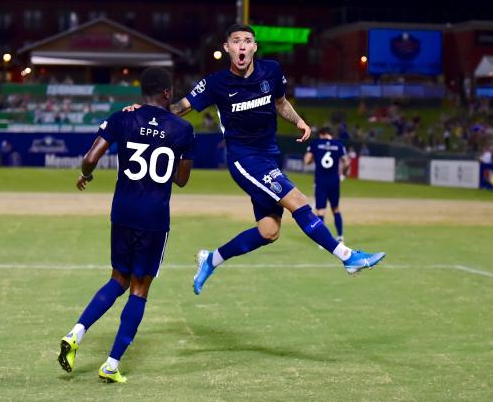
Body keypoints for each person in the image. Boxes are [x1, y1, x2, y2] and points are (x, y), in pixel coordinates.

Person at [127, 24, 384, 296]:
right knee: (298, 201)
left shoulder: (271, 71)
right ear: (227, 48)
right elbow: (181, 107)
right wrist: (145, 112)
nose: (241, 45)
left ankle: (211, 258)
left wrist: (299, 121)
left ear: (254, 47)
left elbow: (281, 103)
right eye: (235, 41)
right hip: (243, 158)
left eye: (247, 41)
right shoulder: (216, 83)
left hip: (269, 156)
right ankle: (347, 257)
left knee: (268, 231)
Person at [57, 67, 195, 383]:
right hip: (154, 217)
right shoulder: (183, 129)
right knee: (140, 288)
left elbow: (91, 158)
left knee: (117, 277)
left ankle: (76, 332)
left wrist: (87, 175)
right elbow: (182, 179)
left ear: (141, 93)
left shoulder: (123, 117)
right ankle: (111, 363)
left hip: (122, 211)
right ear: (167, 94)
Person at [303, 126, 350, 242]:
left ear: (322, 134)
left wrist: (315, 158)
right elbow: (347, 162)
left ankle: (322, 240)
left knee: (320, 211)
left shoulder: (315, 144)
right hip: (334, 181)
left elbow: (306, 161)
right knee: (336, 209)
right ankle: (340, 237)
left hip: (321, 181)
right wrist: (343, 174)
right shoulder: (339, 145)